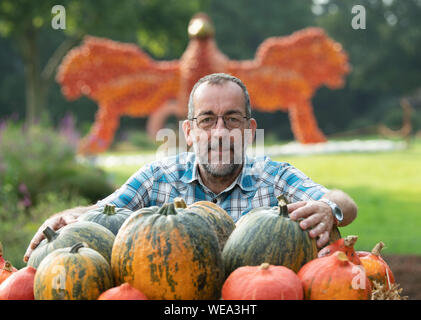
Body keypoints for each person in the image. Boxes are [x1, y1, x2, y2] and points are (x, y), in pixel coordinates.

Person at [23, 73, 357, 262]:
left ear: (250, 130)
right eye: (207, 120)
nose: (220, 131)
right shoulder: (158, 178)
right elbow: (107, 212)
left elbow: (343, 201)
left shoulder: (274, 176)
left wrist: (329, 208)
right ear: (188, 132)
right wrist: (69, 216)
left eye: (233, 119)